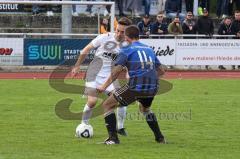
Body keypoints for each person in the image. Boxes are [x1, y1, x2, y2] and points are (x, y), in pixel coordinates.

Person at [97, 25, 166, 145]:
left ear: (127, 37)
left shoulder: (126, 49)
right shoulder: (149, 49)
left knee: (107, 105)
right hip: (153, 87)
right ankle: (160, 138)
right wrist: (149, 78)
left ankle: (113, 139)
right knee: (145, 109)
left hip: (136, 86)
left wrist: (103, 86)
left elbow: (116, 71)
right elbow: (162, 71)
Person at [71, 17, 133, 136]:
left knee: (121, 100)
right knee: (93, 101)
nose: (119, 34)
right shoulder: (105, 37)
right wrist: (77, 66)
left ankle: (120, 127)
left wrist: (128, 72)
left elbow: (128, 62)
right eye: (117, 30)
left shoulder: (127, 45)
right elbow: (86, 49)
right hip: (93, 73)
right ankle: (84, 124)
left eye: (122, 32)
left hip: (109, 77)